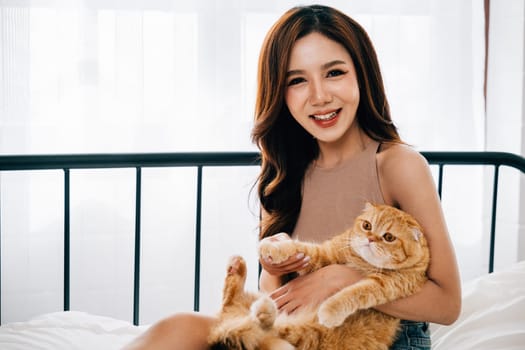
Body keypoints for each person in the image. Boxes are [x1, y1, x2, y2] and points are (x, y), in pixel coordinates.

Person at [124, 4, 461, 349]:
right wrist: (272, 265)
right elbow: (276, 296)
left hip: (374, 339)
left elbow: (447, 303)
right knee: (175, 328)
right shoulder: (286, 171)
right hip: (299, 334)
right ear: (280, 95)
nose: (319, 96)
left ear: (362, 75)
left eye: (334, 73)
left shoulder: (397, 165)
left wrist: (341, 280)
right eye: (297, 80)